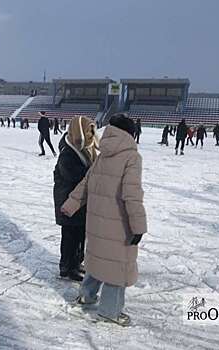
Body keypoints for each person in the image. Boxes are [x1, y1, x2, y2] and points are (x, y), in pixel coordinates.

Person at [61, 113, 147, 327]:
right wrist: (138, 227)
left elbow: (85, 183)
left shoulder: (102, 153)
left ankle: (86, 296)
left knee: (97, 260)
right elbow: (132, 195)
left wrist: (70, 205)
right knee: (116, 268)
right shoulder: (131, 157)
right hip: (118, 225)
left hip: (97, 223)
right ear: (130, 134)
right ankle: (110, 311)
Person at [54, 116, 98, 282]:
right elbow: (74, 175)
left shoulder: (83, 149)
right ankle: (66, 266)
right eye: (87, 131)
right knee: (70, 236)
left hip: (79, 202)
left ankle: (76, 262)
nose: (90, 135)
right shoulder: (68, 153)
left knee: (80, 234)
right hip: (68, 201)